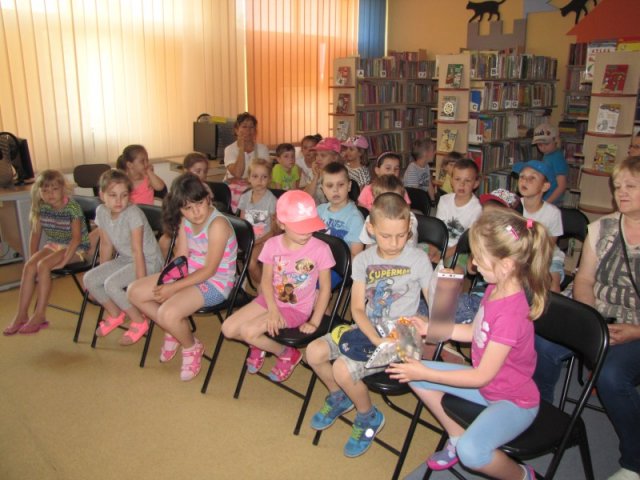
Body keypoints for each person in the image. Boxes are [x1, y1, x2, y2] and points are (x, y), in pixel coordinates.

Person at [387, 209, 552, 480]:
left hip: (512, 401)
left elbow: (480, 375)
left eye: (479, 258)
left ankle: (524, 476)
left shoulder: (511, 314)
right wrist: (432, 328)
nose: (473, 263)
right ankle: (456, 436)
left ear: (506, 265)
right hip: (487, 387)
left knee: (472, 453)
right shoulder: (495, 288)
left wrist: (426, 371)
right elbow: (475, 331)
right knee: (415, 375)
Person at [536, 155, 640, 480]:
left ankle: (635, 461)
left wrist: (635, 331)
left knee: (611, 376)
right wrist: (591, 323)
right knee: (541, 340)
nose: (621, 192)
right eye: (617, 186)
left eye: (630, 186)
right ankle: (540, 414)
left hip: (636, 327)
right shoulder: (601, 228)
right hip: (597, 317)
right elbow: (583, 280)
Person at [306, 192, 433, 457]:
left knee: (341, 369)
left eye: (401, 235)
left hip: (403, 335)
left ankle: (368, 416)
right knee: (313, 352)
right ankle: (340, 397)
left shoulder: (418, 259)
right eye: (386, 236)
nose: (395, 243)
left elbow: (436, 303)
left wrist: (434, 311)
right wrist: (375, 339)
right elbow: (357, 309)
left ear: (409, 229)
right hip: (370, 328)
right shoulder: (363, 260)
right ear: (371, 229)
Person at [128, 173, 238, 381]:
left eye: (199, 203)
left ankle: (191, 346)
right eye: (187, 208)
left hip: (216, 283)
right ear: (179, 209)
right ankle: (174, 330)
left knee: (167, 313)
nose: (195, 212)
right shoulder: (185, 220)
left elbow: (209, 270)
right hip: (191, 274)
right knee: (135, 292)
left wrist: (172, 288)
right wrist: (168, 279)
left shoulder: (218, 225)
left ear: (208, 198)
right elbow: (181, 256)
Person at [222, 190, 335, 383]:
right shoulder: (272, 245)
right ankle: (263, 345)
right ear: (282, 224)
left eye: (310, 226)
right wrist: (273, 310)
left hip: (296, 309)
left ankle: (286, 353)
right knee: (228, 329)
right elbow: (266, 281)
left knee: (249, 331)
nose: (307, 233)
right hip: (269, 300)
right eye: (300, 228)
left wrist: (315, 322)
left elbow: (325, 289)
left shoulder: (321, 249)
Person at [3, 170, 90, 335]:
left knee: (43, 266)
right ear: (39, 192)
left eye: (54, 189)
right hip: (54, 245)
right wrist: (32, 258)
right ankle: (21, 314)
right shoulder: (41, 207)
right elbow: (35, 234)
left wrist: (64, 261)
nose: (50, 194)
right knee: (29, 266)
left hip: (75, 248)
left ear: (63, 189)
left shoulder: (72, 208)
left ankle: (39, 314)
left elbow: (76, 239)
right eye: (45, 190)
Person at [83, 169, 164, 346]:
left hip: (148, 261)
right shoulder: (101, 211)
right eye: (113, 195)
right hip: (126, 259)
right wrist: (102, 271)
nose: (119, 201)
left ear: (129, 195)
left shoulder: (132, 214)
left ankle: (139, 321)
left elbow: (137, 250)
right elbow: (106, 245)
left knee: (111, 284)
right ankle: (116, 313)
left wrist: (140, 285)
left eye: (124, 195)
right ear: (102, 195)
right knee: (90, 279)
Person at [454, 188, 521, 325]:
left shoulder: (513, 251)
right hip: (479, 296)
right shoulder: (484, 240)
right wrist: (479, 247)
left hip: (489, 304)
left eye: (493, 217)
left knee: (444, 314)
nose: (486, 220)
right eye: (485, 214)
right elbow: (471, 269)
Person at [512, 160, 565, 292]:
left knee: (552, 283)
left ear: (545, 187)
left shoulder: (553, 213)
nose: (525, 181)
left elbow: (550, 245)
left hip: (546, 255)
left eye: (532, 178)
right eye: (522, 176)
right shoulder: (513, 206)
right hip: (518, 253)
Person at [317, 161, 365, 287]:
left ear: (349, 186)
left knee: (308, 286)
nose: (335, 190)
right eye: (329, 185)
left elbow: (355, 257)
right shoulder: (318, 211)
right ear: (322, 189)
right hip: (315, 262)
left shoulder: (355, 218)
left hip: (337, 268)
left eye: (341, 184)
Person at [159, 152, 211, 258]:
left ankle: (182, 263)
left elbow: (205, 213)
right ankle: (171, 264)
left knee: (179, 244)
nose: (202, 175)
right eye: (198, 171)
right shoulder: (179, 187)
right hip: (181, 224)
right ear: (186, 171)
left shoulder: (204, 190)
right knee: (164, 242)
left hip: (197, 225)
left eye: (204, 171)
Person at [238, 158, 278, 288]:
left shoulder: (271, 200)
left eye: (264, 177)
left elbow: (273, 232)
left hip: (264, 240)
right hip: (249, 239)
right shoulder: (245, 197)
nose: (259, 180)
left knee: (250, 263)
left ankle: (264, 287)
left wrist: (256, 242)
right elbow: (243, 224)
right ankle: (236, 279)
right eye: (255, 176)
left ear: (269, 179)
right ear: (249, 178)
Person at [435, 158, 482, 267]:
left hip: (459, 250)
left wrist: (443, 255)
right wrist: (434, 250)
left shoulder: (477, 208)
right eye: (457, 179)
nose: (462, 184)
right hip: (439, 244)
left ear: (475, 183)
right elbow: (437, 230)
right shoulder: (444, 200)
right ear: (451, 181)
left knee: (456, 271)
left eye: (467, 180)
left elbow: (466, 241)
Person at [223, 112, 270, 212]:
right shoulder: (230, 149)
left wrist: (246, 180)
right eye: (244, 126)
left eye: (251, 127)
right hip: (233, 192)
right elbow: (238, 173)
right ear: (236, 130)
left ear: (255, 131)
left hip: (256, 189)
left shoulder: (262, 149)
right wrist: (241, 148)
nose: (248, 130)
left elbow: (265, 175)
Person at [358, 175, 419, 249]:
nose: (390, 205)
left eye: (395, 200)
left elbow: (409, 236)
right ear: (375, 201)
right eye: (384, 201)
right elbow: (367, 242)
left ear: (403, 200)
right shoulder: (371, 218)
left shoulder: (409, 217)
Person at [531, 123, 568, 205]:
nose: (543, 147)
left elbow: (561, 185)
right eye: (540, 145)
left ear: (555, 141)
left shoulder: (557, 158)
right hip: (545, 198)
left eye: (547, 144)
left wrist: (547, 203)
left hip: (552, 201)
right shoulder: (547, 155)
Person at [304, 137, 342, 205]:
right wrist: (315, 177)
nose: (318, 159)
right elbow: (306, 197)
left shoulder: (339, 175)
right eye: (316, 155)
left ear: (334, 158)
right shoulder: (314, 172)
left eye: (323, 155)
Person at [404, 138, 436, 203]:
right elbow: (414, 193)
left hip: (422, 198)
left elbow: (429, 185)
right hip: (413, 202)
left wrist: (433, 202)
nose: (435, 152)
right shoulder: (412, 168)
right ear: (425, 153)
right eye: (433, 150)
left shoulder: (426, 166)